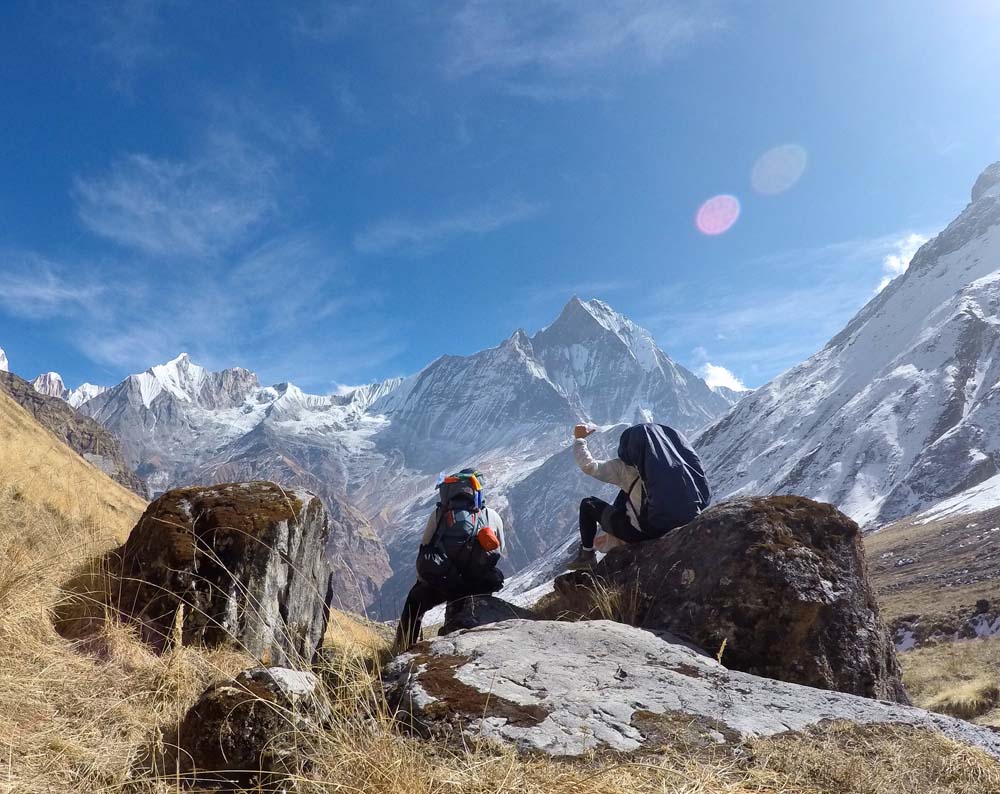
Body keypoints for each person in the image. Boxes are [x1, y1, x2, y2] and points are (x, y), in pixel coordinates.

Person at [569, 422, 711, 569]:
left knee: (588, 504)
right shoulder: (678, 464)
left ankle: (586, 556)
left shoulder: (625, 468)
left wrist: (579, 439)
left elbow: (589, 466)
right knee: (625, 494)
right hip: (684, 522)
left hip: (646, 531)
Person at [394, 468, 506, 650]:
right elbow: (499, 550)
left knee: (414, 604)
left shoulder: (439, 515)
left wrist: (423, 581)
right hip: (478, 584)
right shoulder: (492, 516)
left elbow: (425, 549)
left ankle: (404, 649)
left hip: (443, 583)